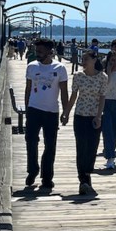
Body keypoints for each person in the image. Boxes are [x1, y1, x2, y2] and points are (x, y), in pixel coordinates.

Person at [24, 38, 70, 192]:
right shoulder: (31, 67)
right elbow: (28, 89)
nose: (38, 54)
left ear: (50, 52)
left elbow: (64, 91)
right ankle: (32, 170)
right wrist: (27, 109)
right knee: (31, 141)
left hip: (51, 111)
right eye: (37, 51)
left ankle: (47, 177)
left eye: (41, 51)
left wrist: (66, 111)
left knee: (50, 145)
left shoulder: (60, 68)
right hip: (34, 109)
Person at [61, 50, 107, 195]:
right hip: (80, 115)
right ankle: (83, 179)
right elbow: (74, 96)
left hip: (94, 116)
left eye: (86, 59)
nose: (83, 61)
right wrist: (66, 113)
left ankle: (87, 175)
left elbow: (102, 98)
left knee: (92, 148)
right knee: (81, 147)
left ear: (94, 60)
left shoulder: (102, 77)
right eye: (83, 58)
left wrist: (99, 116)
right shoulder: (78, 76)